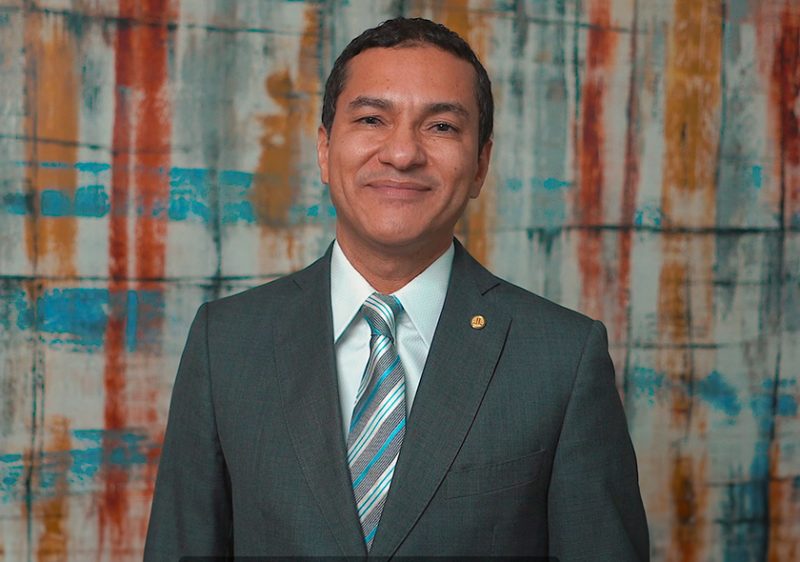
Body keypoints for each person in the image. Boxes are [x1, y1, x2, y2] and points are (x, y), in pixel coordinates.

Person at [144, 17, 649, 560]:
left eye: (441, 127)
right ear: (324, 149)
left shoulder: (562, 358)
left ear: (481, 164)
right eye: (371, 119)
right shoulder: (226, 344)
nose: (402, 153)